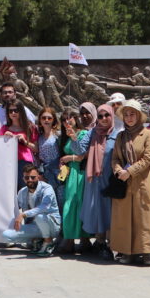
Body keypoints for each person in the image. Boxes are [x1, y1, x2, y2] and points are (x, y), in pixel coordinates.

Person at [109, 99, 150, 265]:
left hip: (141, 180)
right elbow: (115, 158)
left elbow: (148, 158)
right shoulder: (121, 136)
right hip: (124, 181)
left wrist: (129, 171)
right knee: (124, 217)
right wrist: (118, 171)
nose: (129, 118)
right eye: (126, 115)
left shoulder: (148, 134)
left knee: (143, 217)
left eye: (132, 114)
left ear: (138, 116)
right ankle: (126, 251)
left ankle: (147, 252)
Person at [80, 104, 118, 260]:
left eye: (106, 116)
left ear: (112, 116)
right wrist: (74, 137)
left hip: (110, 180)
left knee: (110, 211)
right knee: (97, 210)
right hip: (94, 180)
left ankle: (111, 243)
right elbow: (80, 150)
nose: (103, 119)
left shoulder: (118, 135)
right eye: (100, 116)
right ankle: (100, 241)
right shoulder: (92, 133)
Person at [1, 165, 61, 256]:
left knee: (39, 216)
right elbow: (14, 208)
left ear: (38, 177)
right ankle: (37, 240)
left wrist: (23, 214)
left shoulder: (47, 188)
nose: (30, 180)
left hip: (52, 226)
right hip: (35, 226)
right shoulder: (22, 192)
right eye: (27, 177)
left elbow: (44, 207)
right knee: (6, 235)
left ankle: (48, 242)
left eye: (33, 177)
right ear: (23, 178)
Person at [57, 108, 89, 253]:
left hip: (80, 172)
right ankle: (69, 238)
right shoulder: (64, 136)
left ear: (76, 119)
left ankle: (84, 239)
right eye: (64, 120)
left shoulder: (83, 134)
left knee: (80, 203)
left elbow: (82, 154)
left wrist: (69, 158)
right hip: (70, 174)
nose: (67, 122)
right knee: (69, 205)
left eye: (69, 118)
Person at [0, 101, 38, 186]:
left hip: (25, 163)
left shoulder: (30, 127)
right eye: (10, 111)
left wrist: (25, 142)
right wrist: (4, 139)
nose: (13, 113)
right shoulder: (4, 128)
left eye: (16, 110)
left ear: (21, 111)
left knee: (25, 190)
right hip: (8, 163)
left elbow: (36, 148)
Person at [36, 108, 64, 210]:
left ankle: (63, 225)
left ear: (53, 120)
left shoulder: (58, 135)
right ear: (40, 120)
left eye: (49, 118)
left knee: (61, 201)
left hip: (59, 173)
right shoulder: (39, 137)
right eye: (44, 118)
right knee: (50, 202)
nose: (46, 120)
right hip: (46, 174)